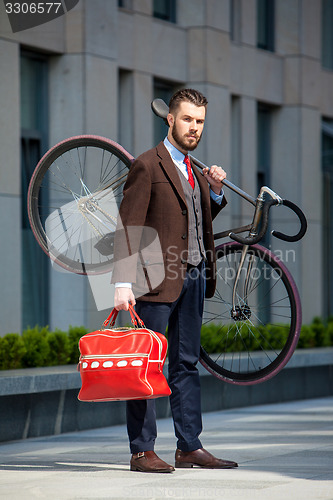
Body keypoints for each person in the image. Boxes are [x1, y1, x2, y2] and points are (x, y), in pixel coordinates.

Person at [112, 88, 238, 473]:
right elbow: (129, 225)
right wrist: (122, 283)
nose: (194, 128)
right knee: (146, 365)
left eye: (199, 122)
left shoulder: (197, 171)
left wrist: (214, 193)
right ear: (170, 119)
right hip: (155, 280)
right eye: (187, 119)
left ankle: (189, 446)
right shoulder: (147, 165)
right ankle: (141, 450)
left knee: (185, 364)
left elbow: (194, 222)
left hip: (196, 275)